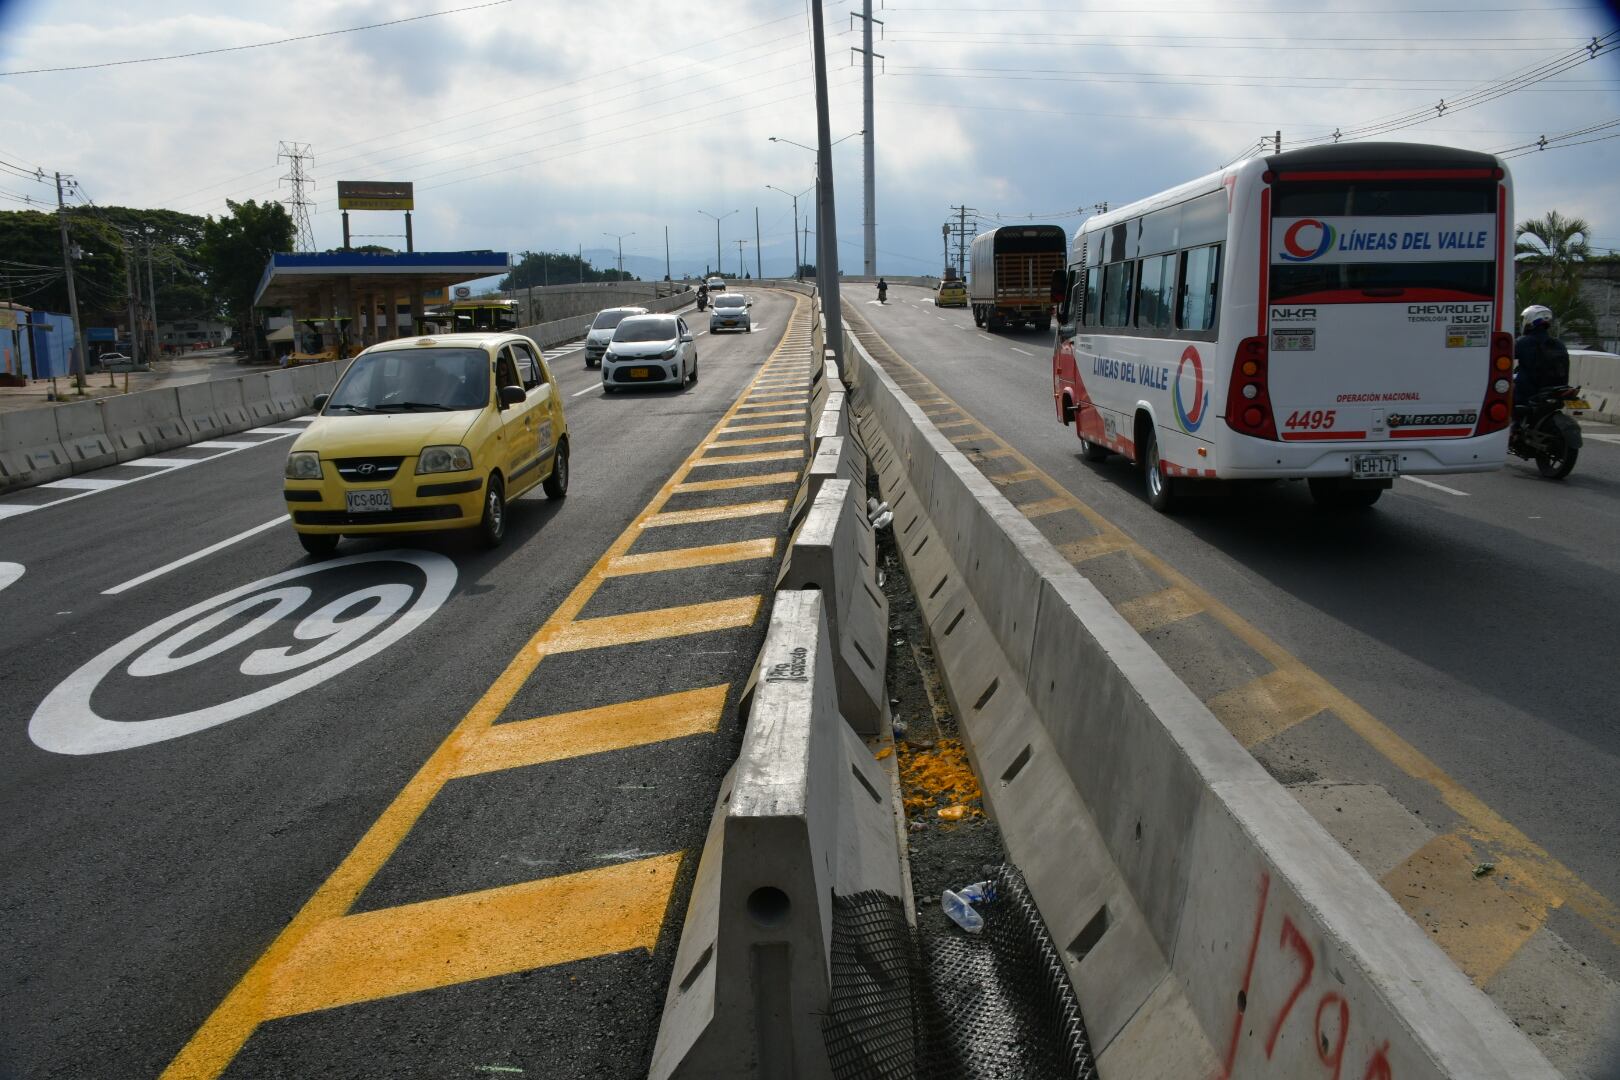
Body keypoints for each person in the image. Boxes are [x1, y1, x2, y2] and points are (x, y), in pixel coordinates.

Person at [1513, 304, 1570, 414]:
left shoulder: (1523, 342)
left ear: (1529, 320)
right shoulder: (1558, 343)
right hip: (1557, 389)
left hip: (1529, 392)